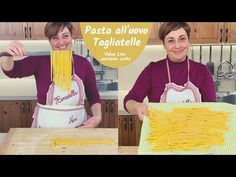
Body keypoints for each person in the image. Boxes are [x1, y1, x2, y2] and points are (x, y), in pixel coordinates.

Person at [1, 22, 102, 128]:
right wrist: (7, 55)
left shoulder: (84, 63)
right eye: (55, 38)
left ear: (71, 36)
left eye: (65, 36)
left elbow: (93, 95)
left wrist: (98, 116)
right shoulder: (40, 60)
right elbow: (12, 71)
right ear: (49, 40)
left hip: (78, 127)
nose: (61, 42)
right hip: (46, 127)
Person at [124, 22, 216, 120]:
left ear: (188, 40)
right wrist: (137, 106)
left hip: (194, 134)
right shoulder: (152, 70)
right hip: (160, 133)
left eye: (182, 39)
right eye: (171, 41)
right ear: (164, 44)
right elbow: (129, 100)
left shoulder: (202, 71)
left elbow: (211, 109)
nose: (177, 46)